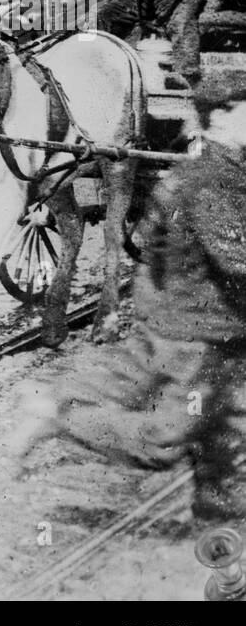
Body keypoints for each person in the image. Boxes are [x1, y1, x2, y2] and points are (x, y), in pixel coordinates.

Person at [12, 76, 246, 522]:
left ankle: (222, 518)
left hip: (207, 325)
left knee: (231, 425)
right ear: (223, 116)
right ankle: (59, 417)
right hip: (197, 330)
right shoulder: (211, 177)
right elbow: (237, 258)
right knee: (166, 439)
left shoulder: (222, 167)